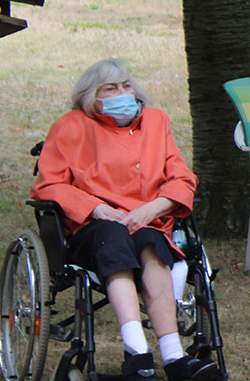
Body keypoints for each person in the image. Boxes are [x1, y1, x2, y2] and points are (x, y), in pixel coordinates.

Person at [30, 59, 220, 381]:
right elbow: (48, 184)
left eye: (126, 86)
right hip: (94, 226)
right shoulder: (70, 127)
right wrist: (95, 208)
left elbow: (182, 177)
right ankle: (137, 353)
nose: (121, 92)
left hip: (147, 222)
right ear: (90, 97)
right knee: (114, 241)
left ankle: (173, 356)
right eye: (110, 88)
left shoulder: (156, 123)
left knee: (152, 245)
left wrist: (153, 209)